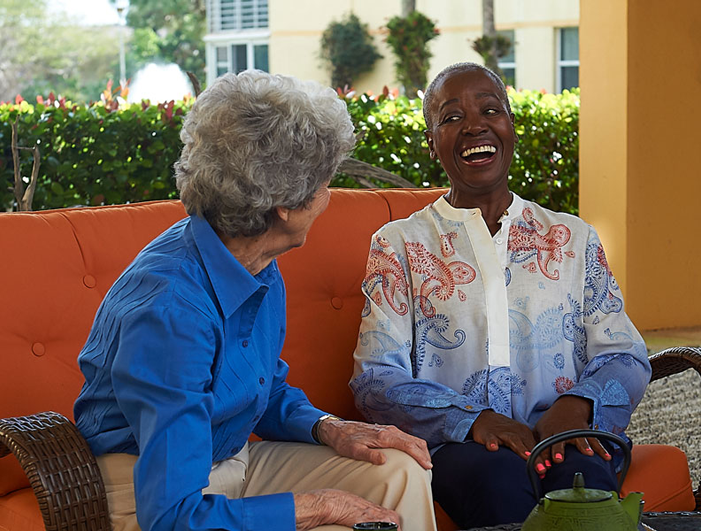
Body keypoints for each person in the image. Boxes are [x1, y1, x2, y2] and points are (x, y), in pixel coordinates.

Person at [73, 70, 438, 531]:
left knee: (396, 471)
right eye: (325, 185)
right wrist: (318, 507)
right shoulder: (171, 312)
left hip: (232, 457)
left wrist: (329, 426)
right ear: (284, 205)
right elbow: (172, 518)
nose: (329, 197)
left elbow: (259, 390)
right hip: (149, 491)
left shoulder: (253, 255)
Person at [349, 62, 653, 528]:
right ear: (432, 144)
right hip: (460, 447)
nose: (474, 125)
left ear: (510, 128)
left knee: (586, 482)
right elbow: (375, 380)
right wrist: (474, 421)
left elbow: (626, 355)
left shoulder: (572, 238)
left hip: (565, 435)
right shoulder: (400, 244)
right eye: (451, 118)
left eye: (491, 110)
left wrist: (579, 406)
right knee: (498, 481)